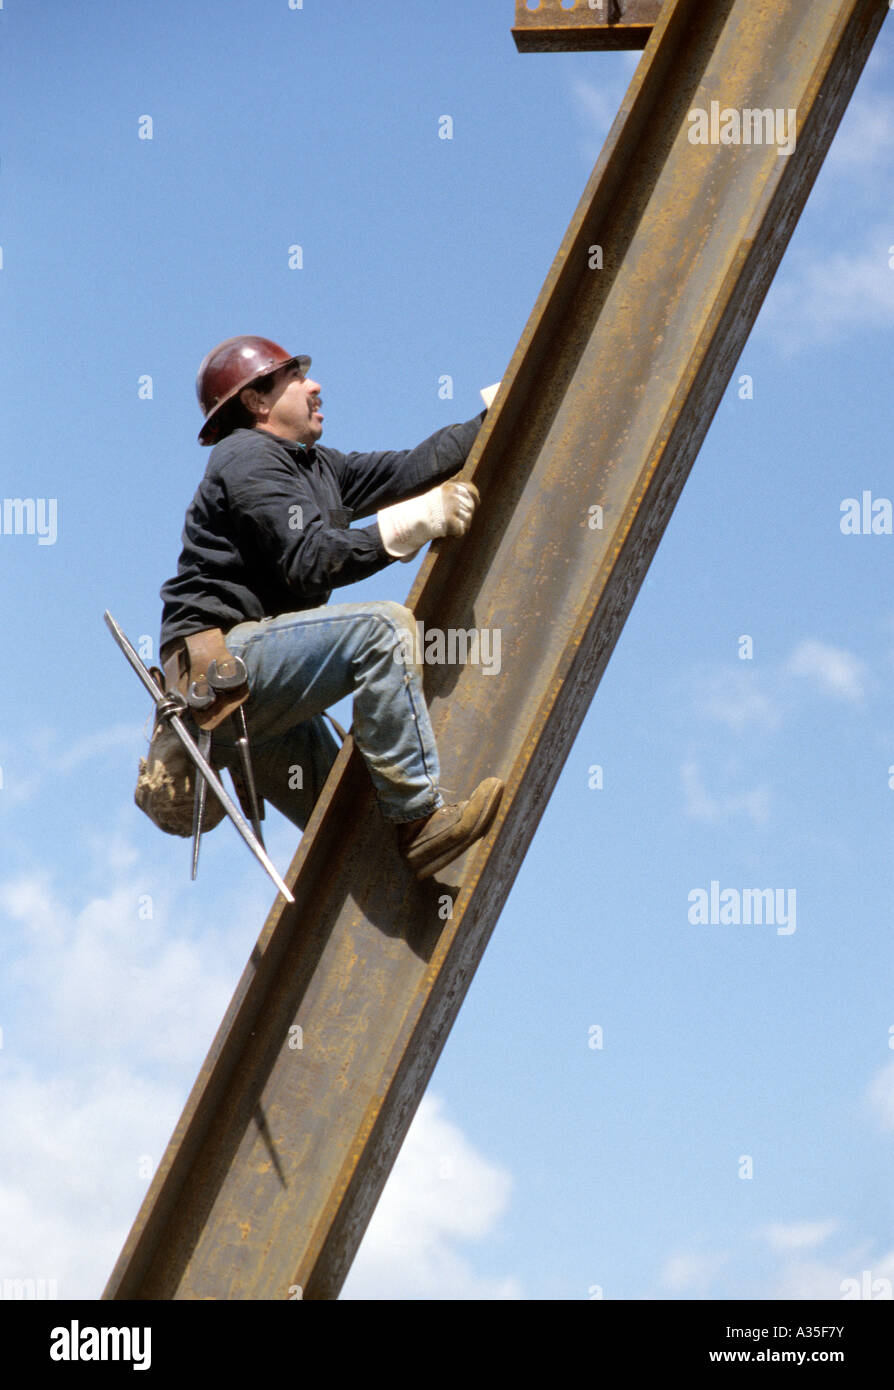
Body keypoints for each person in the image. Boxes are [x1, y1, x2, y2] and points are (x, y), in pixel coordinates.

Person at [158, 335, 503, 880]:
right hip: (224, 669)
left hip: (251, 701)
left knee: (357, 829)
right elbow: (309, 560)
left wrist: (494, 415)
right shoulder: (247, 457)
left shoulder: (316, 468)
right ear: (256, 402)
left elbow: (413, 468)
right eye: (294, 378)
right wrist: (406, 527)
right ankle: (421, 823)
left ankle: (407, 845)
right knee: (382, 630)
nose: (314, 385)